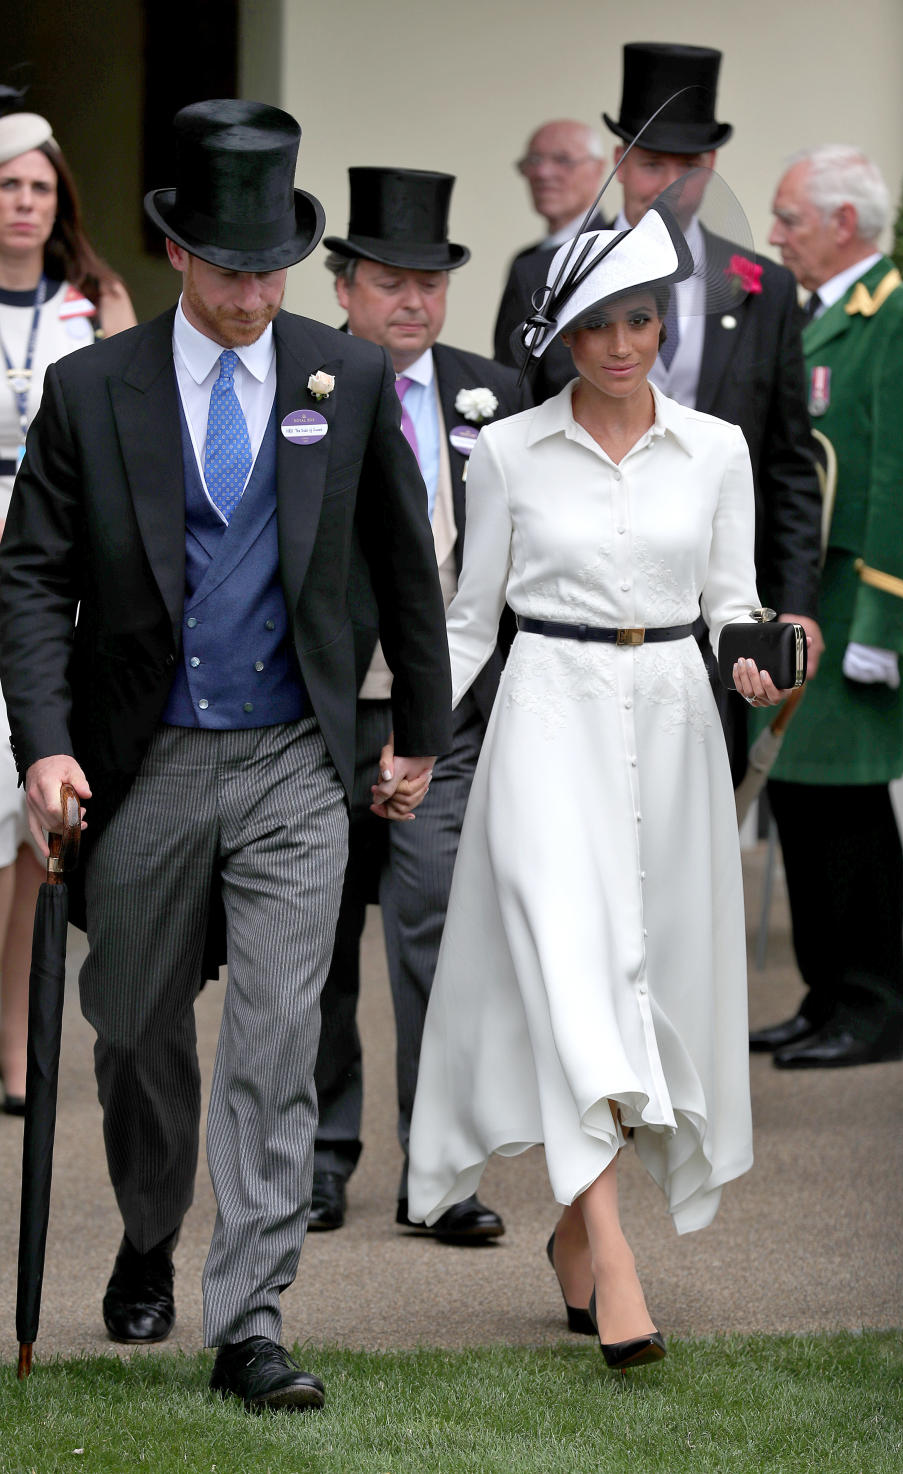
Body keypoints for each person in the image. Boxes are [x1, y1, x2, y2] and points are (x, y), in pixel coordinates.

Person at [0, 100, 451, 1411]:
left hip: (295, 764)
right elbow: (30, 579)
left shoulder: (347, 376)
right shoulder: (95, 390)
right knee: (131, 1024)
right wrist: (46, 748)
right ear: (178, 256)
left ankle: (248, 1316)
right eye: (230, 266)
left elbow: (403, 570)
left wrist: (416, 731)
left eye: (272, 267)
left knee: (273, 1036)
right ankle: (150, 1226)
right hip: (141, 760)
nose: (255, 292)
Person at [407, 200, 791, 1370]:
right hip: (545, 722)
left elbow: (732, 597)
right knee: (571, 972)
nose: (622, 344)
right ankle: (615, 1260)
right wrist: (417, 742)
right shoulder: (510, 453)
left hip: (674, 726)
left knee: (640, 981)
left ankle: (578, 1232)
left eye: (640, 320)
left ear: (664, 324)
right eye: (596, 326)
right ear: (561, 338)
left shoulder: (717, 448)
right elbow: (470, 623)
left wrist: (755, 648)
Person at [308, 167, 525, 1241]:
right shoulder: (299, 385)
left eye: (431, 282)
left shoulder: (498, 391)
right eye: (390, 280)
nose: (413, 302)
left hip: (448, 719)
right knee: (313, 942)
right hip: (320, 715)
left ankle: (438, 1166)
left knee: (439, 937)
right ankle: (318, 1154)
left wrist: (442, 725)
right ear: (343, 286)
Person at [749, 145, 903, 1069]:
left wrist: (887, 626)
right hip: (803, 603)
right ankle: (825, 994)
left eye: (790, 218)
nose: (775, 234)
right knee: (798, 802)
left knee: (852, 818)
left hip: (860, 610)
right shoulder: (813, 316)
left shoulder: (902, 321)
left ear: (843, 224)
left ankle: (872, 1009)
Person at [603, 41, 824, 774]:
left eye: (687, 167)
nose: (668, 183)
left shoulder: (762, 287)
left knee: (700, 800)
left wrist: (793, 604)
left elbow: (790, 461)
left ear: (713, 168)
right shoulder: (556, 273)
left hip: (720, 597)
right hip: (592, 586)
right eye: (651, 163)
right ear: (620, 159)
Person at [0, 90, 136, 1116]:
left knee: (29, 824)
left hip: (48, 573)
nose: (25, 203)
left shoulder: (96, 299)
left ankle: (15, 1047)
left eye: (42, 186)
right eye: (7, 184)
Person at [493, 120, 607, 402]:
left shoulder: (610, 253)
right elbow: (510, 370)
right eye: (534, 160)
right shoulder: (527, 260)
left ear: (598, 169)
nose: (543, 173)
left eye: (563, 160)